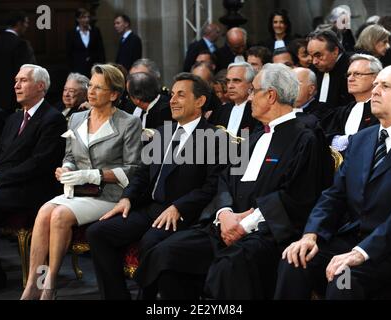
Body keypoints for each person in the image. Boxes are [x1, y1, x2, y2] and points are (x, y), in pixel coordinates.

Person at [134, 63, 332, 300]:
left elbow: (297, 197)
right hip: (224, 225)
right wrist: (225, 214)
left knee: (228, 268)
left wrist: (244, 224)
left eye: (253, 91)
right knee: (167, 253)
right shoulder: (255, 136)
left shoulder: (306, 137)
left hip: (266, 232)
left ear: (271, 96)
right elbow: (225, 180)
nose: (249, 98)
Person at [274, 65, 391, 300]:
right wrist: (311, 235)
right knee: (294, 259)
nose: (375, 91)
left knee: (344, 281)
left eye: (385, 86)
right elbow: (334, 195)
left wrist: (361, 252)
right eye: (375, 85)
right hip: (350, 238)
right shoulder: (363, 138)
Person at [86, 72, 228, 300]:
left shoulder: (214, 138)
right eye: (172, 94)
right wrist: (127, 198)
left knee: (150, 241)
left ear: (200, 101)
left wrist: (179, 207)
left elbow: (213, 187)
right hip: (150, 208)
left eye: (181, 95)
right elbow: (142, 174)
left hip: (183, 214)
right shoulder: (163, 132)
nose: (172, 100)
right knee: (98, 232)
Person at [19, 64, 142, 300]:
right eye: (90, 86)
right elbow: (70, 156)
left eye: (99, 88)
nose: (91, 92)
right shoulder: (76, 118)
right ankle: (34, 284)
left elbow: (133, 170)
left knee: (59, 215)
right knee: (44, 212)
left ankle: (50, 285)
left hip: (109, 194)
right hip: (77, 190)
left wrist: (94, 174)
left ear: (114, 94)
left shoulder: (128, 123)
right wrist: (67, 169)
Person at [0, 64, 66, 296]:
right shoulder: (14, 118)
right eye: (15, 80)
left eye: (23, 80)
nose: (16, 85)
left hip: (31, 189)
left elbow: (38, 163)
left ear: (40, 86)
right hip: (4, 184)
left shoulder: (52, 119)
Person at [322, 54, 382, 152]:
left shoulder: (384, 109)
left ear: (375, 78)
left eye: (357, 74)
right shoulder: (342, 112)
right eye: (349, 74)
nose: (350, 79)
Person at [0, 11, 36, 113]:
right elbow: (29, 73)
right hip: (14, 100)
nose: (27, 26)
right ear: (19, 24)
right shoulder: (21, 45)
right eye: (26, 23)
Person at [307, 29, 354, 114]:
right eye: (311, 56)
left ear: (335, 51)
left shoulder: (353, 68)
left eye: (318, 55)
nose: (314, 62)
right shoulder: (313, 69)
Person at [208, 62, 257, 137]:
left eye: (236, 81)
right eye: (228, 81)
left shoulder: (257, 111)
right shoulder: (220, 111)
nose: (230, 86)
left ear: (250, 84)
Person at [66, 8, 105, 78]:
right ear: (78, 19)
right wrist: (71, 71)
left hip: (94, 68)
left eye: (88, 17)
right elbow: (69, 53)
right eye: (84, 17)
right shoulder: (71, 33)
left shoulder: (95, 31)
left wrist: (101, 67)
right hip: (78, 69)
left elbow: (101, 50)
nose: (87, 19)